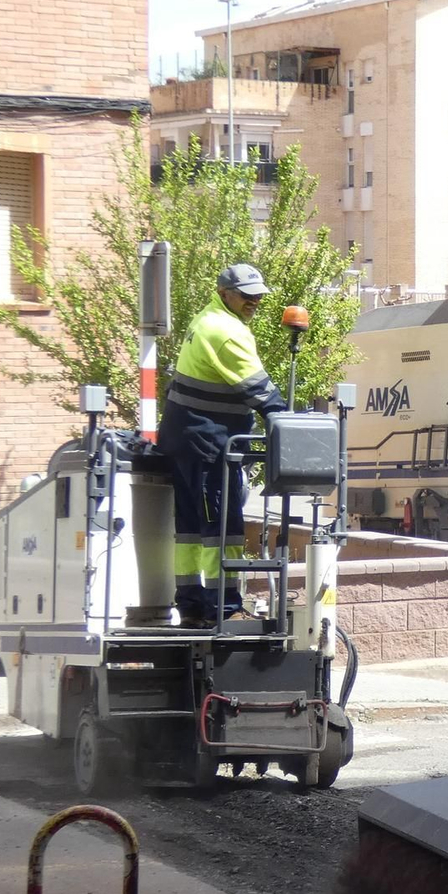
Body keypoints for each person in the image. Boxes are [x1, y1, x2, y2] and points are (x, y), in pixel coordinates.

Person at [158, 262, 289, 626]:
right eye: (248, 295)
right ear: (224, 293)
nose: (255, 301)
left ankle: (191, 605)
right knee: (222, 526)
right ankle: (225, 607)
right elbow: (260, 392)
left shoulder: (208, 317)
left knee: (189, 528)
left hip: (189, 441)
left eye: (259, 295)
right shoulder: (226, 332)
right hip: (208, 444)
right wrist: (292, 423)